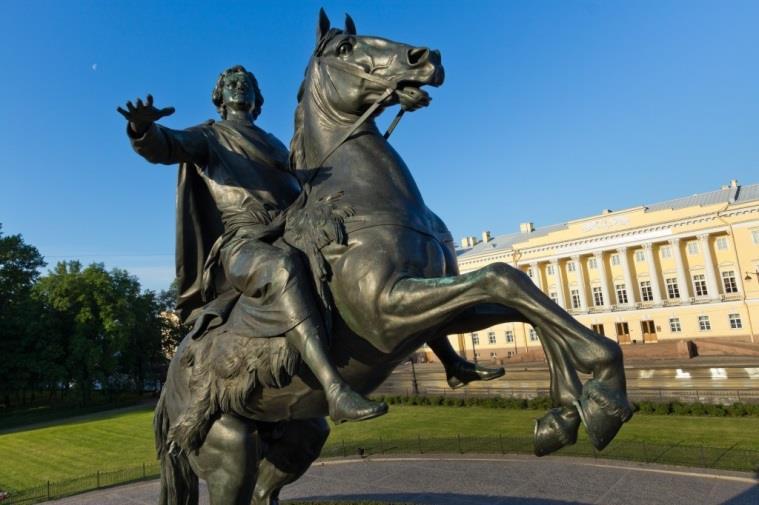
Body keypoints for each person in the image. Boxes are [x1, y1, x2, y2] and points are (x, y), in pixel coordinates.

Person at [118, 65, 387, 423]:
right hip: (243, 244)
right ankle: (334, 389)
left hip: (291, 230)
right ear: (220, 97)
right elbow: (164, 146)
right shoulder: (209, 136)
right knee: (282, 267)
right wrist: (142, 128)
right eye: (230, 83)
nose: (239, 87)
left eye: (246, 84)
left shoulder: (275, 143)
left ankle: (446, 356)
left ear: (257, 98)